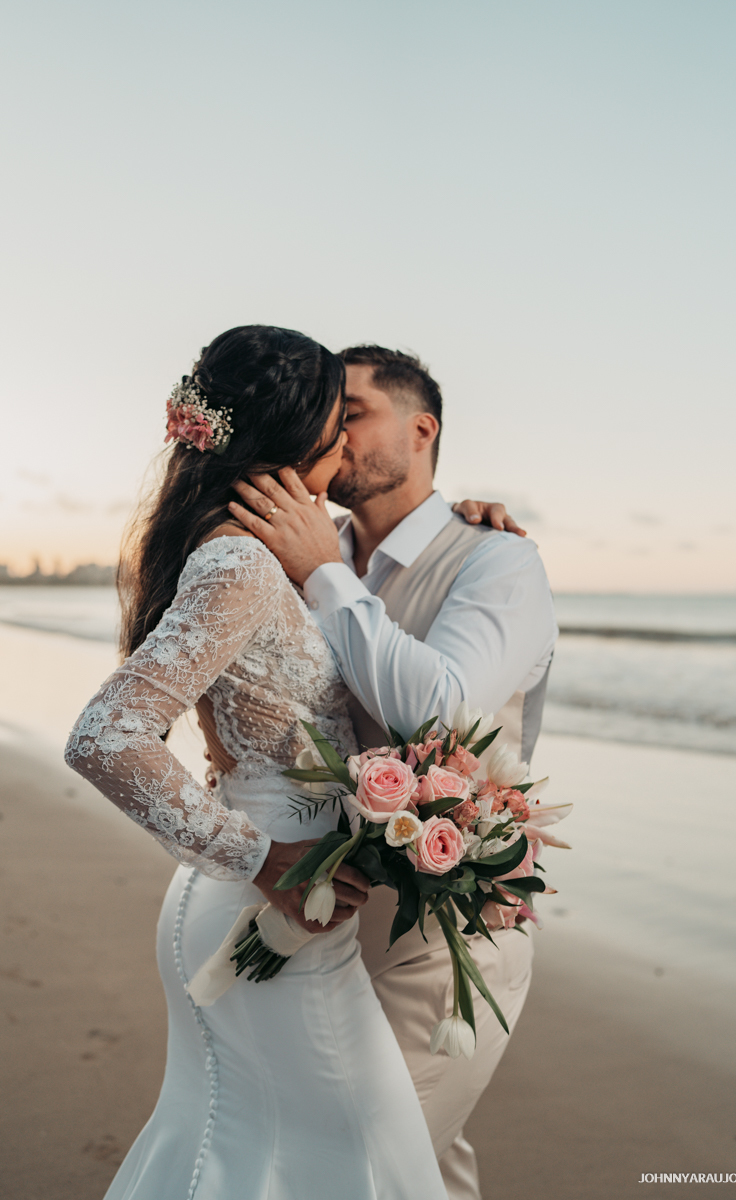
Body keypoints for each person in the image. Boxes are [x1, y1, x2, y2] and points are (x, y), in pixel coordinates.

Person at [64, 326, 449, 1200]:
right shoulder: (239, 560)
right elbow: (104, 735)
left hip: (286, 896)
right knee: (339, 1146)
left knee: (261, 1148)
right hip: (265, 896)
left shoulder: (265, 549)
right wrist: (260, 859)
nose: (347, 439)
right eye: (334, 417)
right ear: (295, 435)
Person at [227, 344, 558, 1200]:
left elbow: (443, 714)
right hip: (320, 909)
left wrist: (325, 574)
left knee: (366, 1162)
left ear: (422, 430)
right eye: (328, 414)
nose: (333, 430)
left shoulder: (497, 560)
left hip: (447, 929)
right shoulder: (306, 547)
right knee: (425, 1170)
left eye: (356, 411)